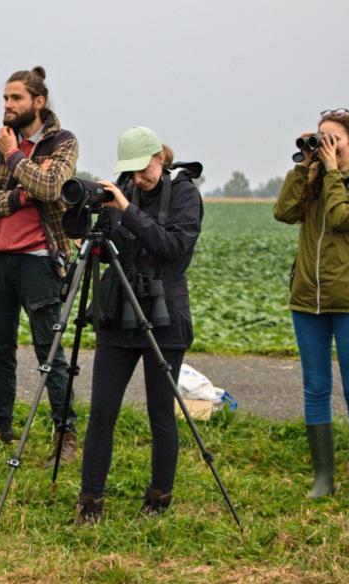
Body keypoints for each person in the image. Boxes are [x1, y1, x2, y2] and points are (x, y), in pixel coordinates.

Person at [75, 127, 203, 523]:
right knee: (101, 412)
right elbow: (97, 246)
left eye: (143, 169)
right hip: (118, 311)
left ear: (159, 158)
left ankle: (158, 497)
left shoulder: (183, 194)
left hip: (165, 316)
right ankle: (90, 502)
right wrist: (82, 211)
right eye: (129, 171)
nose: (138, 177)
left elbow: (173, 248)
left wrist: (127, 210)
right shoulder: (119, 190)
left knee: (160, 411)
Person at [0, 66, 80, 465]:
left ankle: (65, 435)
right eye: (5, 99)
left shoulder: (61, 143)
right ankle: (0, 427)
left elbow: (50, 187)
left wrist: (14, 158)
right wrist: (19, 197)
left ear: (38, 102)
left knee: (50, 349)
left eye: (16, 98)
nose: (8, 106)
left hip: (40, 261)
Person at [273, 109, 349, 499]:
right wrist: (304, 171)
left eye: (333, 138)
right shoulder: (316, 180)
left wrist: (333, 173)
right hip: (308, 299)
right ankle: (323, 478)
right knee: (315, 387)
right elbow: (284, 212)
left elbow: (341, 217)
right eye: (320, 138)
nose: (325, 146)